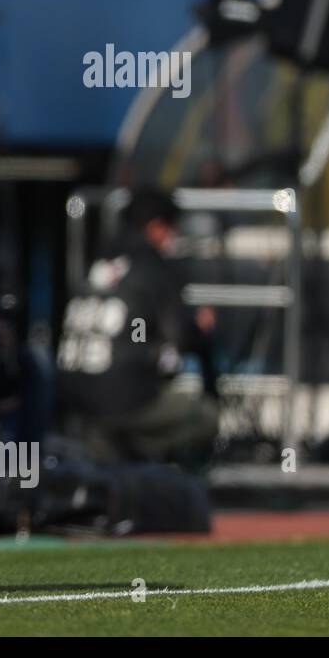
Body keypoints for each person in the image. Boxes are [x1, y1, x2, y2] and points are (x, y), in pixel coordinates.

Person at [57, 189, 219, 469]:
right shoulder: (151, 265)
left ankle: (115, 455)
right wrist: (199, 328)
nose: (173, 236)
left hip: (72, 396)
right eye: (170, 228)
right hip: (122, 399)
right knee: (205, 416)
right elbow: (181, 336)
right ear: (156, 227)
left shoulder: (98, 261)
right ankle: (147, 471)